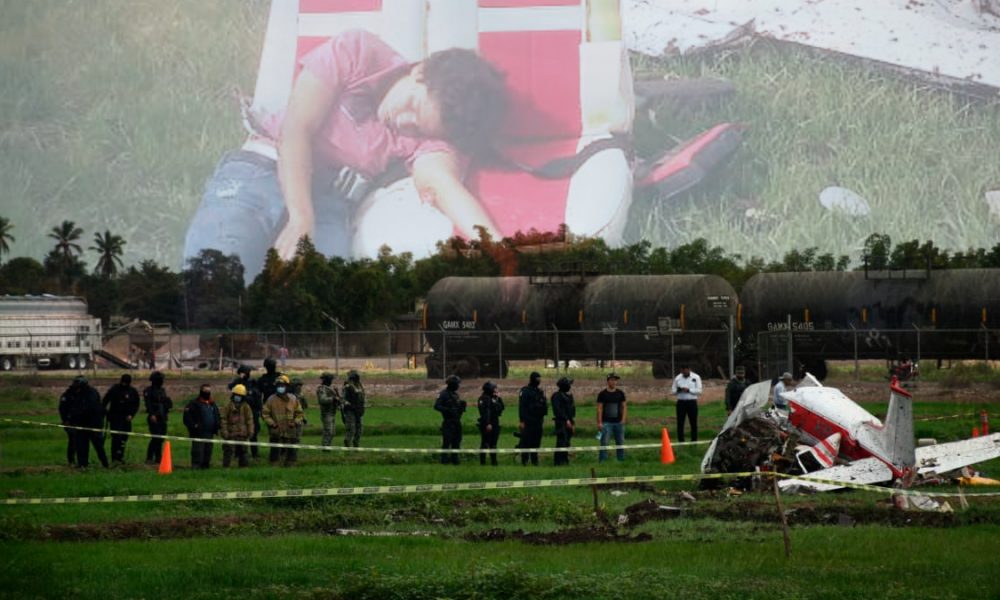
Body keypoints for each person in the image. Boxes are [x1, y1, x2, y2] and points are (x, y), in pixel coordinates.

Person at [183, 29, 508, 281]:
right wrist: (301, 217)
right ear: (419, 71)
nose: (404, 121)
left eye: (419, 128)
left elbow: (444, 188)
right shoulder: (358, 52)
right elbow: (296, 129)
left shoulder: (420, 138)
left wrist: (502, 255)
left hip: (328, 196)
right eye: (412, 105)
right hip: (263, 167)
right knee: (218, 268)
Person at [60, 376, 109, 468]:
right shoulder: (74, 393)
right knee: (81, 446)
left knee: (98, 446)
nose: (76, 387)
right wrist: (69, 419)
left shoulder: (91, 393)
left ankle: (105, 464)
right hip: (81, 424)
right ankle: (82, 465)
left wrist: (74, 415)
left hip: (93, 423)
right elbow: (67, 407)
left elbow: (88, 408)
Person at [263, 374, 304, 466]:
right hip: (276, 430)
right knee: (275, 450)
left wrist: (295, 422)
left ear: (287, 386)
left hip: (290, 430)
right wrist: (272, 424)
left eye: (282, 386)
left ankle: (291, 465)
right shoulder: (271, 399)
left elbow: (300, 413)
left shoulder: (293, 399)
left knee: (291, 451)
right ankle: (274, 466)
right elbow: (265, 414)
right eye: (278, 386)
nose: (280, 388)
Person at [102, 373, 141, 464]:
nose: (124, 384)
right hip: (115, 418)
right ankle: (115, 458)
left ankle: (121, 457)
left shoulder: (132, 391)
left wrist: (131, 415)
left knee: (124, 438)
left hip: (126, 419)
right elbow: (105, 401)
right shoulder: (114, 389)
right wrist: (106, 413)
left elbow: (136, 404)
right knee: (116, 438)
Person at [228, 364, 263, 459]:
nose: (243, 375)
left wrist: (260, 410)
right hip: (240, 411)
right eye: (241, 373)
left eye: (244, 373)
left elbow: (257, 397)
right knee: (239, 433)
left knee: (253, 434)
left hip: (252, 411)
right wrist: (239, 380)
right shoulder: (238, 382)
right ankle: (238, 454)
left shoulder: (253, 383)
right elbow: (230, 387)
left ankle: (255, 454)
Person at [183, 384, 221, 469]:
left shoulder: (212, 404)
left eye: (209, 391)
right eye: (205, 391)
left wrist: (218, 425)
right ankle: (196, 467)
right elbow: (187, 417)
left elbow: (217, 415)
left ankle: (205, 467)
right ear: (201, 391)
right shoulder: (194, 403)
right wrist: (194, 426)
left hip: (210, 432)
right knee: (198, 451)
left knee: (208, 451)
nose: (207, 393)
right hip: (199, 432)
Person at [220, 384, 254, 468]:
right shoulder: (227, 405)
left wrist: (250, 431)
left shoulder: (246, 407)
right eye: (236, 395)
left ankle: (243, 468)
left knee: (244, 452)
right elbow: (223, 419)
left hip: (243, 434)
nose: (237, 397)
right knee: (228, 451)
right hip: (230, 434)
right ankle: (226, 468)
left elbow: (250, 420)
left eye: (239, 395)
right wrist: (225, 432)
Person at [434, 375, 466, 465]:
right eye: (457, 384)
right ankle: (444, 460)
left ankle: (455, 459)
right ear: (452, 384)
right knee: (447, 442)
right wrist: (448, 410)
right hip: (448, 422)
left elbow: (457, 409)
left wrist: (461, 407)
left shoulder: (455, 395)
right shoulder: (443, 394)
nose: (458, 386)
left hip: (457, 421)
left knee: (457, 441)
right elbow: (437, 406)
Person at [143, 371, 173, 465]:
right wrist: (152, 414)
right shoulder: (148, 391)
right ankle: (149, 457)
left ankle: (158, 458)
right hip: (154, 416)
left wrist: (166, 411)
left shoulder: (162, 390)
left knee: (161, 438)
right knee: (155, 437)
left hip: (162, 416)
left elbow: (165, 402)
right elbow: (148, 404)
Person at [518, 371, 547, 466]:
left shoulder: (540, 392)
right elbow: (522, 407)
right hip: (527, 421)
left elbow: (543, 406)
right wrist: (522, 421)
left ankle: (535, 461)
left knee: (536, 442)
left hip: (538, 421)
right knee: (526, 442)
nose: (539, 380)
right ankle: (524, 461)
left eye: (540, 378)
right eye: (537, 379)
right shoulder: (525, 391)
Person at [597, 373, 627, 462]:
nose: (614, 382)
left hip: (619, 422)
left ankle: (621, 460)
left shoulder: (620, 393)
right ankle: (602, 461)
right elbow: (599, 408)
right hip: (606, 423)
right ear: (608, 381)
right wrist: (599, 422)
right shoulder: (602, 394)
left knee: (620, 443)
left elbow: (624, 406)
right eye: (612, 380)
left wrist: (623, 419)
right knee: (604, 443)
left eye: (615, 380)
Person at [671, 365, 702, 443]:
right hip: (681, 402)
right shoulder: (678, 378)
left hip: (692, 402)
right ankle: (681, 441)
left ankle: (694, 441)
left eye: (686, 370)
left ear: (689, 369)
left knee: (693, 422)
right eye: (683, 371)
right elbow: (673, 391)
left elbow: (699, 391)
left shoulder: (696, 377)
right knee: (680, 422)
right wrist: (678, 390)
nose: (684, 372)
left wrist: (689, 390)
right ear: (681, 370)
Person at [477, 380, 504, 466]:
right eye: (494, 388)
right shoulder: (483, 398)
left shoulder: (494, 398)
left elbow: (502, 408)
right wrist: (488, 423)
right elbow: (485, 412)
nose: (496, 390)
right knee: (485, 443)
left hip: (495, 422)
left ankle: (494, 462)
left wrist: (499, 398)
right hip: (487, 423)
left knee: (494, 444)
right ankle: (483, 462)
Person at [551, 376, 577, 466]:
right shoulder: (556, 396)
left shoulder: (568, 396)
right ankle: (558, 462)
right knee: (561, 442)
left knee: (566, 443)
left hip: (569, 423)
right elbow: (558, 410)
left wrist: (572, 423)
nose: (570, 386)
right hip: (561, 423)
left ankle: (565, 460)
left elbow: (571, 411)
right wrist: (566, 420)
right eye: (569, 384)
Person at [316, 372, 341, 448]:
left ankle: (328, 445)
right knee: (328, 431)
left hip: (332, 412)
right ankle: (325, 447)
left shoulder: (332, 388)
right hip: (326, 413)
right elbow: (322, 400)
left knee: (332, 432)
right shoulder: (322, 389)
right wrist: (333, 399)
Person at [341, 370, 366, 448]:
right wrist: (348, 405)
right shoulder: (347, 386)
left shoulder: (359, 386)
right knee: (351, 429)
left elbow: (363, 397)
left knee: (359, 429)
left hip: (359, 410)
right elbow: (343, 399)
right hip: (350, 411)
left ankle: (356, 445)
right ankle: (347, 445)